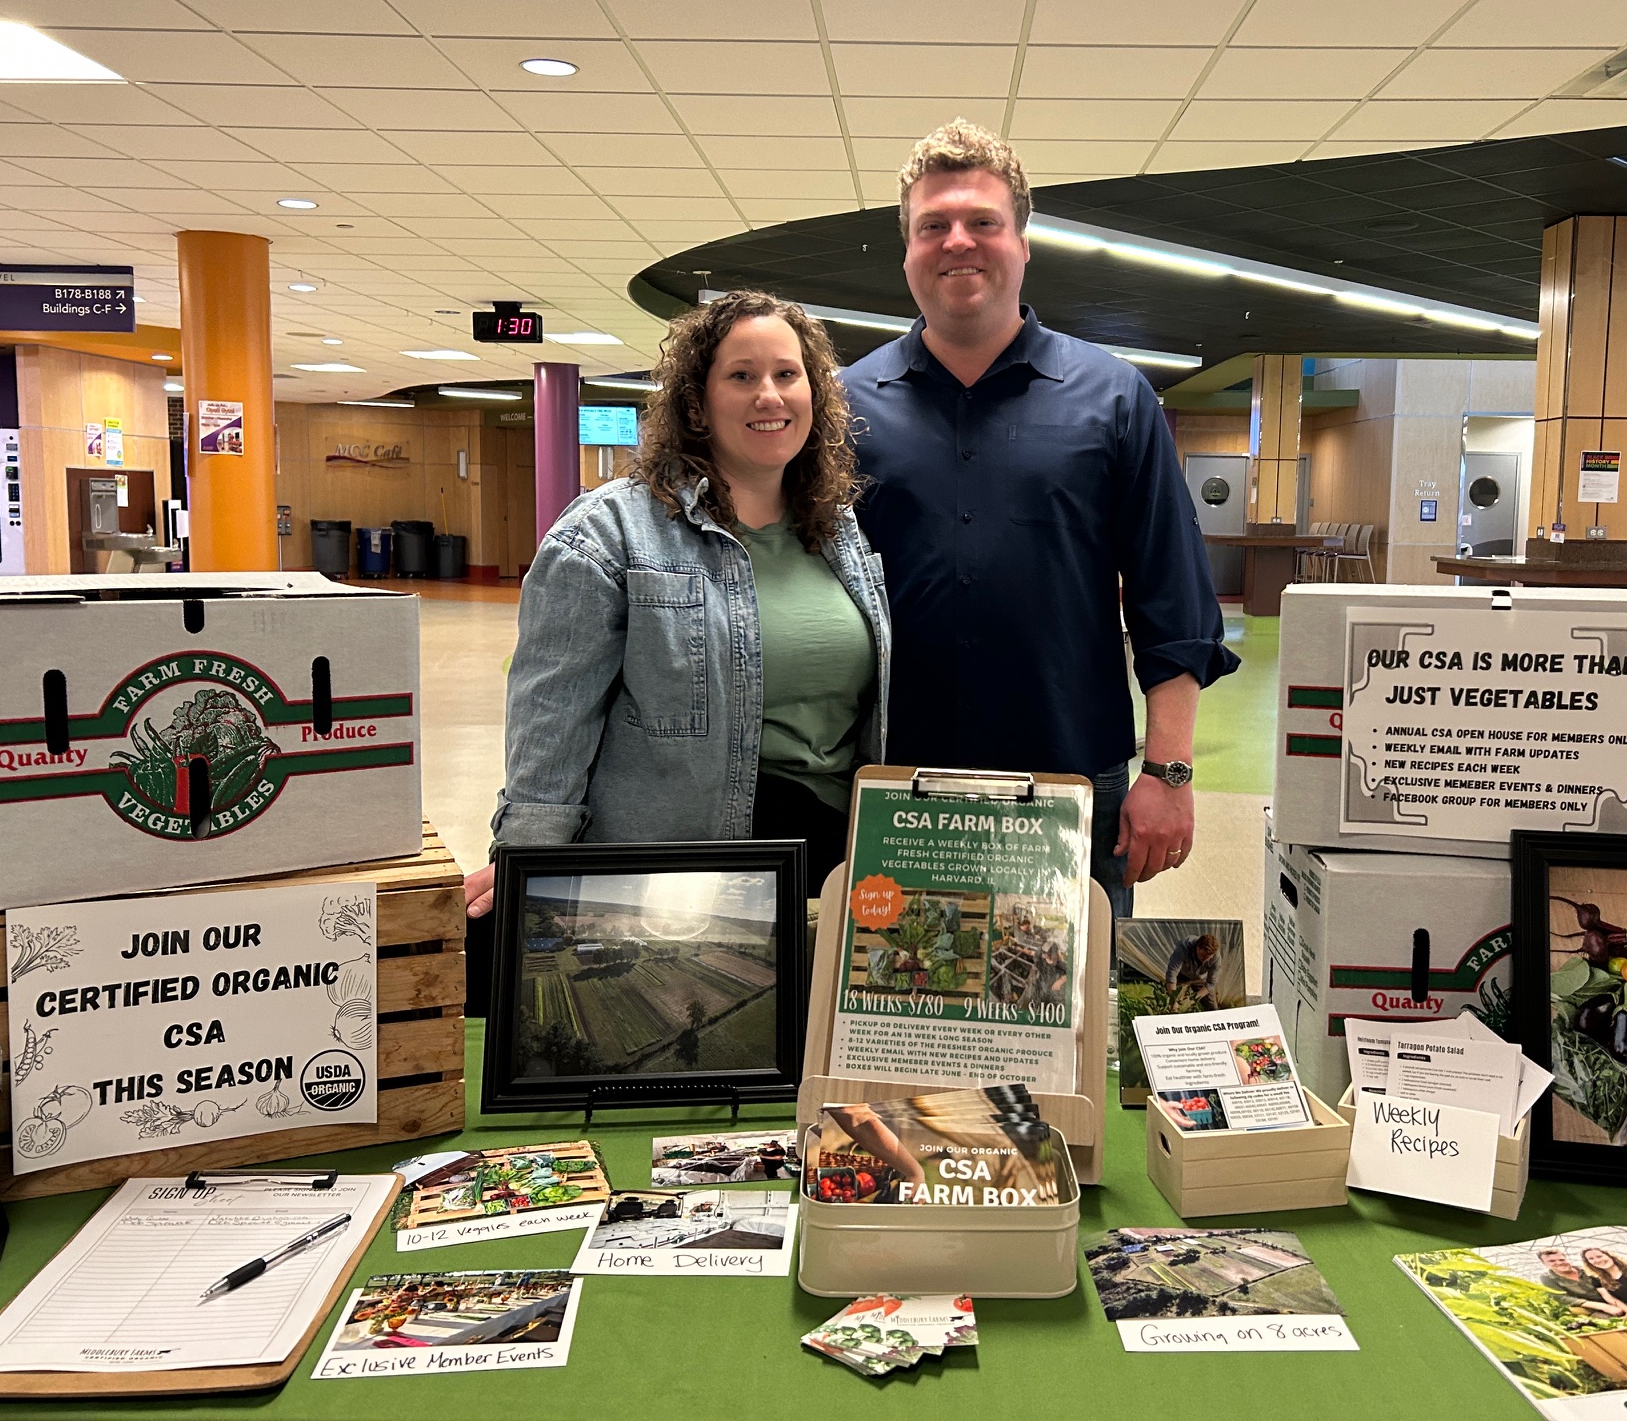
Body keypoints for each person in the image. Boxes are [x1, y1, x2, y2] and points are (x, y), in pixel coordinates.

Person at [842, 119, 1238, 925]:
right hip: (890, 791)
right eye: (933, 225)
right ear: (908, 251)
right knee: (903, 1016)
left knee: (1069, 1028)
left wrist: (1169, 772)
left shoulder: (1116, 398)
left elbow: (1173, 596)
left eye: (983, 221)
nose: (959, 241)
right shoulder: (844, 408)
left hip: (1067, 786)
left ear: (1022, 242)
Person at [464, 289, 891, 930]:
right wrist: (528, 861)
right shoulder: (608, 535)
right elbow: (552, 718)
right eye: (740, 376)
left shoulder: (837, 531)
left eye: (787, 374)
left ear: (815, 395)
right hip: (676, 874)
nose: (768, 396)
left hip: (831, 860)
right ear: (697, 401)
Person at [1536, 1248, 1627, 1317]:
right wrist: (1602, 1306)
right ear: (1544, 1263)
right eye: (1552, 1261)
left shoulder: (1587, 1270)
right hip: (1593, 1308)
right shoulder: (1548, 1278)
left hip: (1616, 1299)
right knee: (1609, 1320)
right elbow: (1561, 1298)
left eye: (1561, 1259)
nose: (1559, 1262)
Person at [1163, 930, 1222, 1005]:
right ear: (1197, 947)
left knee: (1211, 1006)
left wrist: (1193, 998)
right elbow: (1172, 973)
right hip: (1181, 976)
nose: (1205, 960)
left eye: (1208, 958)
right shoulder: (1184, 947)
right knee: (1171, 1003)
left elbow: (1211, 983)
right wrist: (1173, 1001)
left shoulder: (1216, 957)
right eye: (1202, 956)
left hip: (1201, 979)